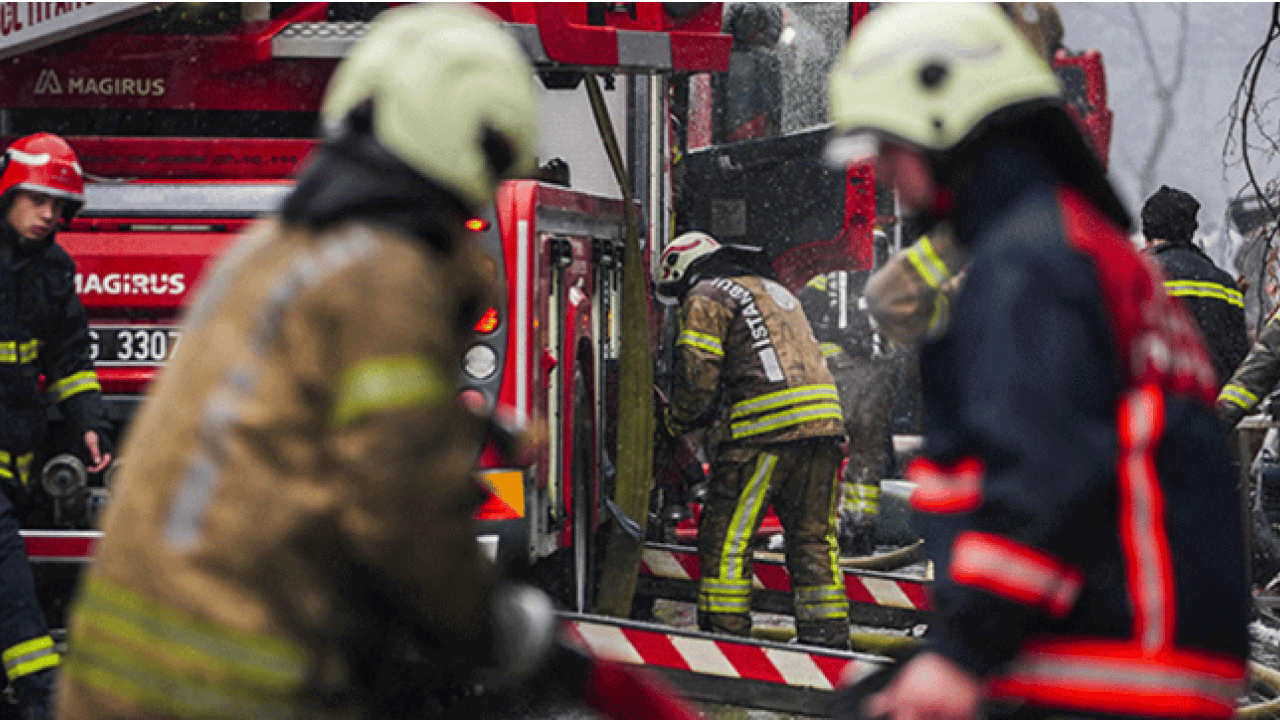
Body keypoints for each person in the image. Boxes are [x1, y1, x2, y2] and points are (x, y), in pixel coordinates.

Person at [54, 5, 558, 719]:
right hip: (239, 685)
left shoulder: (276, 251)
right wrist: (494, 623)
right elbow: (400, 505)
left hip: (120, 679)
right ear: (481, 141)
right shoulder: (386, 274)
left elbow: (304, 427)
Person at [826, 4, 1249, 720]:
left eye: (892, 148)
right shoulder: (1081, 245)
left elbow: (1043, 476)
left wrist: (961, 653)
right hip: (1138, 642)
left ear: (947, 126)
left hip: (1102, 659)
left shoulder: (1029, 265)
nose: (889, 176)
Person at [655, 230, 851, 650]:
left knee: (726, 536)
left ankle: (727, 645)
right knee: (813, 540)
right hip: (824, 427)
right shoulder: (772, 288)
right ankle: (829, 643)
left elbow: (698, 371)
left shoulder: (708, 293)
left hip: (765, 432)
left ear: (683, 269)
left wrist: (674, 422)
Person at [0, 132, 114, 720]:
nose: (50, 215)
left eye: (60, 207)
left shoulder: (53, 270)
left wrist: (89, 424)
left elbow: (69, 358)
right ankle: (43, 695)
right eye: (40, 200)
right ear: (8, 190)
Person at [796, 267, 896, 557]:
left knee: (820, 452)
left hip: (834, 375)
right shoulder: (888, 277)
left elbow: (804, 309)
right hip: (876, 378)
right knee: (867, 458)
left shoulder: (827, 276)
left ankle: (816, 533)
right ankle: (859, 533)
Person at [1141, 184, 1249, 389]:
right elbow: (1239, 360)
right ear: (1190, 231)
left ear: (1148, 232)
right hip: (1214, 411)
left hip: (1157, 407)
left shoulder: (1139, 276)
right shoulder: (1224, 284)